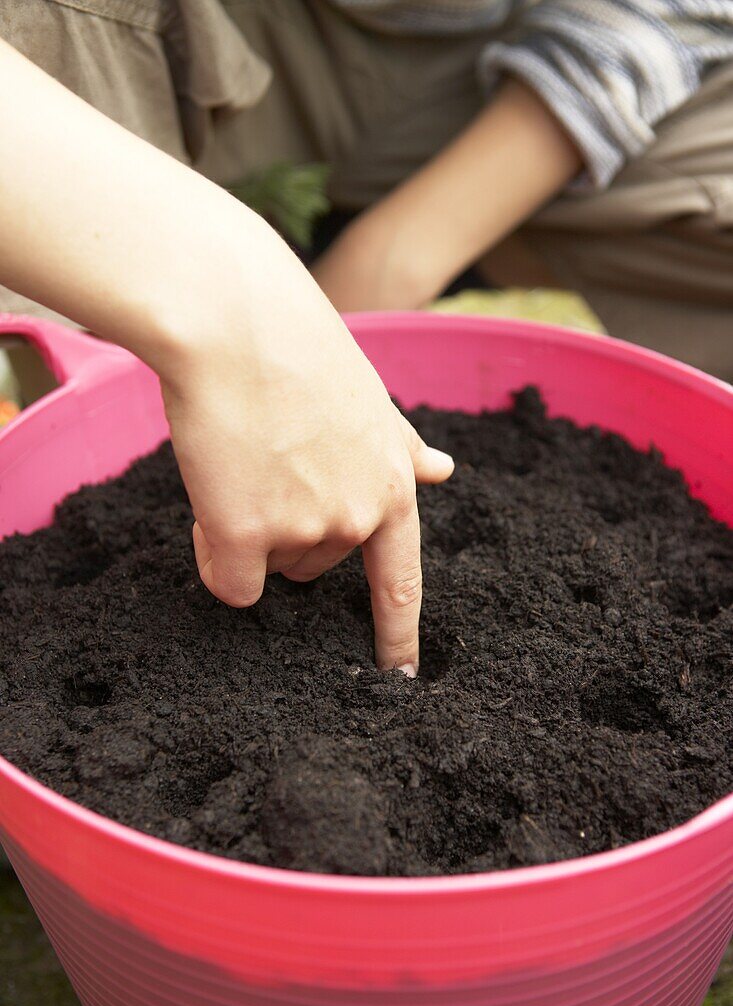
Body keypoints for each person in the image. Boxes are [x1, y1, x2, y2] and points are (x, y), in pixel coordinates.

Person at [0, 2, 731, 677]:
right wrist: (224, 285)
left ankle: (360, 239)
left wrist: (403, 247)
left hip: (483, 45)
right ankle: (100, 346)